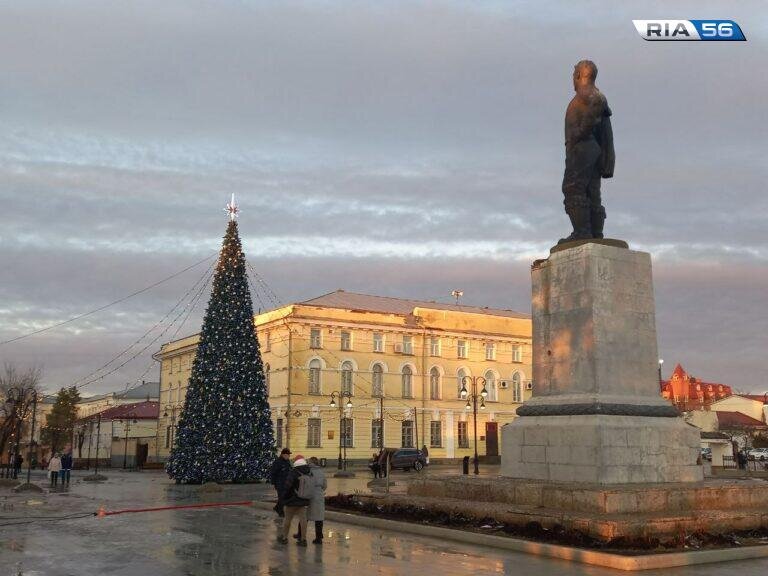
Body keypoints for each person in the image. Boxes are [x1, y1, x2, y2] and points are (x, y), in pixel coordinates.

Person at [559, 60, 615, 244]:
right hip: (592, 149)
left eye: (574, 75)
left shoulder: (589, 94)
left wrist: (579, 133)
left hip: (583, 148)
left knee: (573, 187)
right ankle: (595, 232)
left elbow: (595, 107)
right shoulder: (596, 94)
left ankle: (582, 232)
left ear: (579, 76)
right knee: (592, 190)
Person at [278, 455, 311, 546]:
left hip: (292, 500)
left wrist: (284, 497)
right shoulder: (309, 472)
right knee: (303, 520)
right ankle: (303, 540)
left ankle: (284, 538)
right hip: (304, 500)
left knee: (287, 519)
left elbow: (287, 486)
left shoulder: (293, 472)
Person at [297, 457, 326, 544]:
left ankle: (300, 534)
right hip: (319, 496)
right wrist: (320, 491)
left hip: (308, 495)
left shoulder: (307, 471)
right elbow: (325, 485)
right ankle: (318, 538)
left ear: (310, 463)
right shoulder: (321, 472)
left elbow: (303, 483)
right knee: (319, 518)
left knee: (304, 516)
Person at [269, 448, 292, 517]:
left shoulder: (288, 461)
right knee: (282, 497)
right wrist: (273, 483)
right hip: (279, 483)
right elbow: (273, 473)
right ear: (283, 455)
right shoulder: (277, 462)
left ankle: (277, 507)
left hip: (286, 483)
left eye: (289, 455)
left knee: (285, 497)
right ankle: (281, 512)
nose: (288, 456)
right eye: (287, 455)